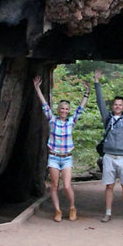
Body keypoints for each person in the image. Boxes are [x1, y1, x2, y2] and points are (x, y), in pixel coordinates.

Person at [33, 75, 90, 222]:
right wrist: (37, 88)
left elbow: (80, 109)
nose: (64, 110)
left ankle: (72, 207)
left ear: (68, 110)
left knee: (66, 185)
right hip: (53, 156)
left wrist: (86, 93)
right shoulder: (53, 120)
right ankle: (57, 211)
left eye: (66, 109)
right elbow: (44, 104)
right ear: (58, 110)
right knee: (54, 185)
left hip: (66, 158)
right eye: (62, 108)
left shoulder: (71, 121)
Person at [93, 69, 123, 222]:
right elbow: (100, 102)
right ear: (113, 106)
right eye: (115, 104)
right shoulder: (107, 118)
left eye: (120, 105)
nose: (117, 106)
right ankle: (108, 213)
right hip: (108, 157)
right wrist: (96, 83)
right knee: (109, 186)